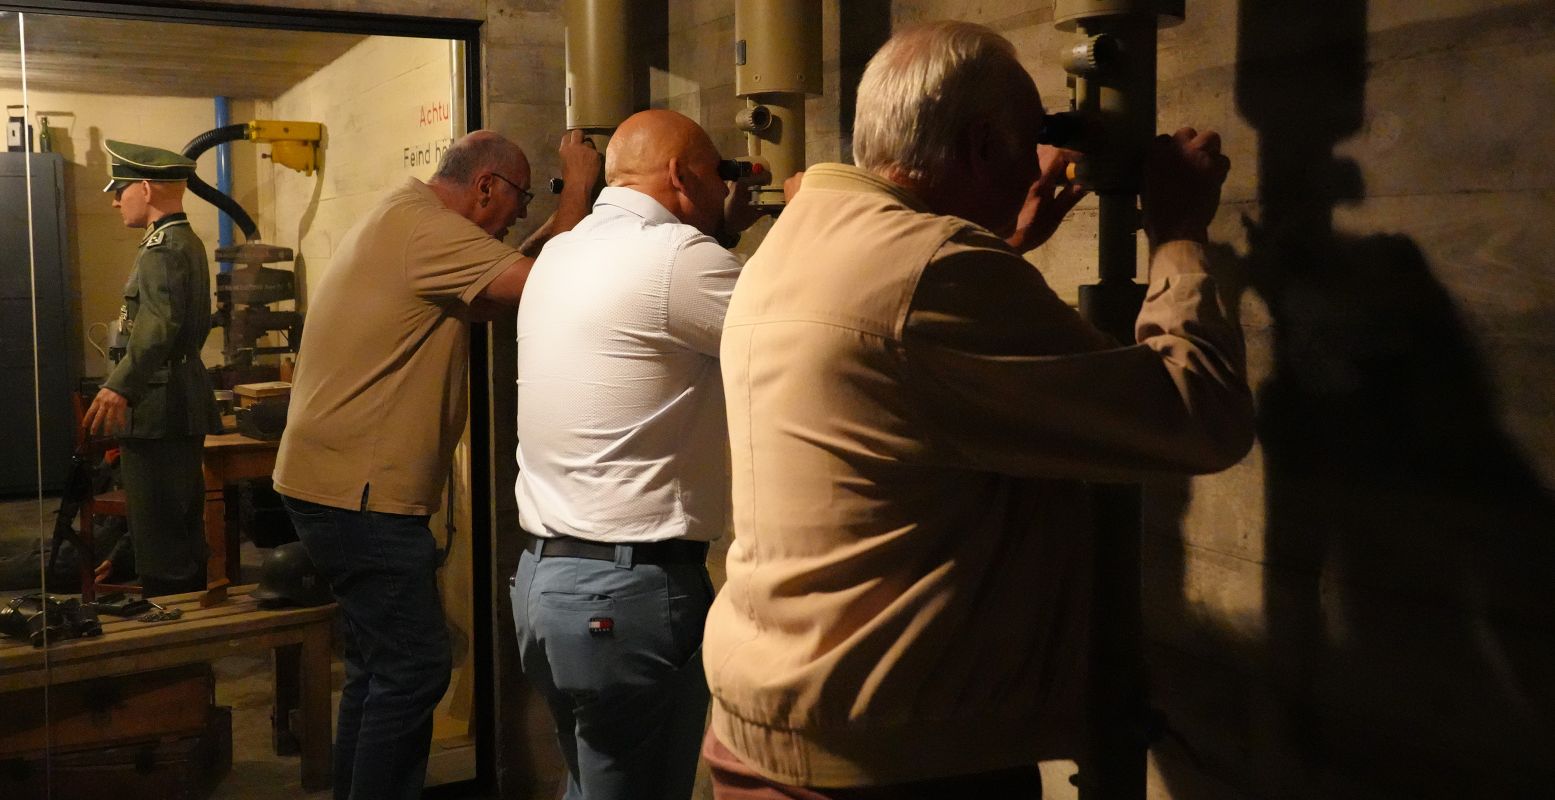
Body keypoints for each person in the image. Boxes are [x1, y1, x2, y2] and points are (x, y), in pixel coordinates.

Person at [700, 20, 1256, 797]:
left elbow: (896, 355)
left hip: (772, 720)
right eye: (1029, 141)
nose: (1038, 162)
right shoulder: (934, 274)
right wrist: (1178, 233)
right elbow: (1199, 415)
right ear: (981, 145)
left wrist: (1003, 239)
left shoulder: (800, 238)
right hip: (890, 765)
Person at [273, 129, 602, 800]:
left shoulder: (408, 218)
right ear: (486, 186)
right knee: (416, 669)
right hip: (357, 496)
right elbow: (550, 288)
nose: (517, 215)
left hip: (329, 485)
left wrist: (546, 223)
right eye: (520, 197)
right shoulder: (423, 229)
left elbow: (492, 290)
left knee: (377, 667)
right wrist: (579, 187)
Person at [508, 109, 766, 800]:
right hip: (627, 594)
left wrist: (720, 228)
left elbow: (655, 307)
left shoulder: (561, 253)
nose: (723, 187)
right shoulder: (682, 260)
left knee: (594, 783)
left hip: (544, 585)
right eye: (717, 173)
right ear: (682, 175)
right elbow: (803, 336)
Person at [82, 140, 221, 599]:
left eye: (121, 189)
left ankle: (173, 638)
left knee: (162, 528)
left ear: (145, 187)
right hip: (170, 399)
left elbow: (159, 325)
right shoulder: (179, 241)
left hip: (160, 406)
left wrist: (119, 387)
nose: (115, 199)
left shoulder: (163, 248)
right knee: (170, 522)